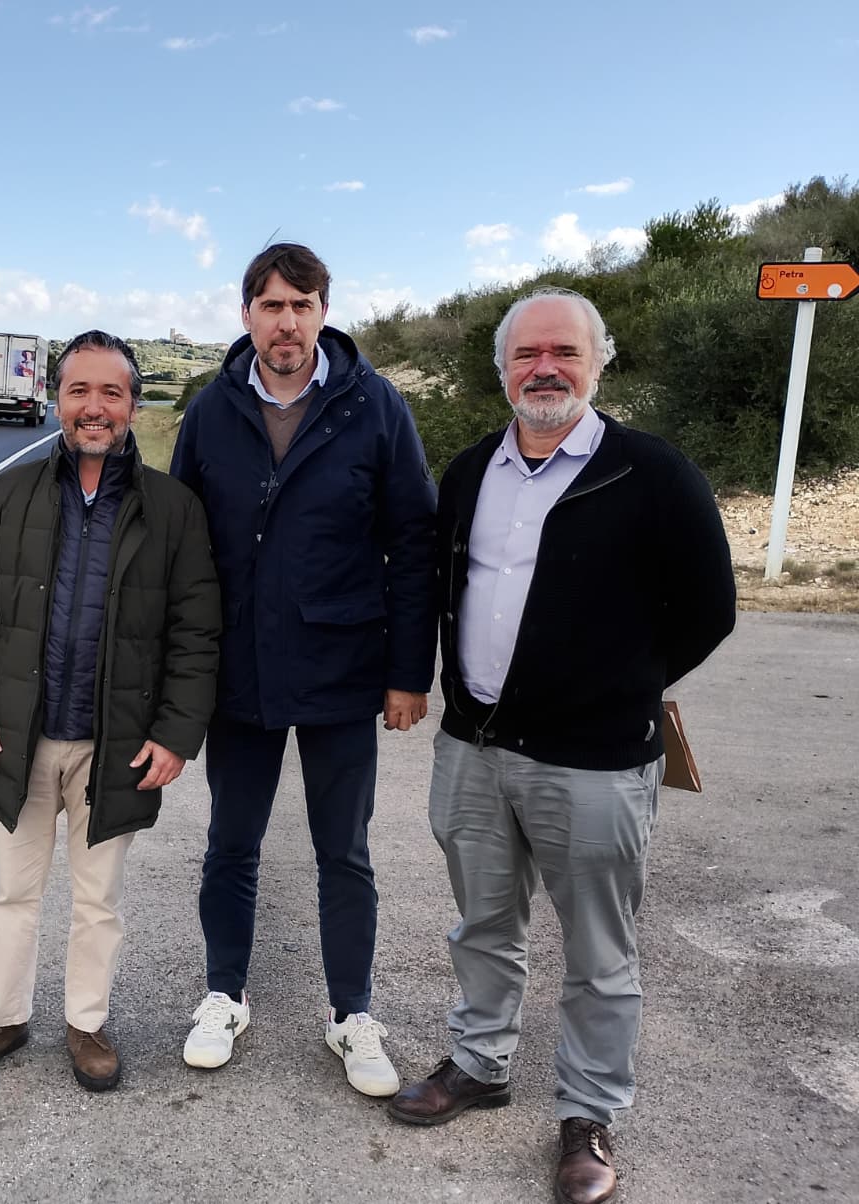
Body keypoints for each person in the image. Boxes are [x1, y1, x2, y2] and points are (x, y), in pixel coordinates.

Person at [387, 289, 736, 1204]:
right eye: (527, 353)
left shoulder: (653, 474)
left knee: (599, 948)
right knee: (483, 925)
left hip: (595, 761)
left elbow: (709, 609)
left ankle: (587, 1114)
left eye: (565, 353)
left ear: (597, 363)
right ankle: (480, 1063)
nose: (545, 369)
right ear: (503, 368)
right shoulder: (467, 472)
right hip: (474, 747)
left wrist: (620, 684)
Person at [169, 242, 437, 1096]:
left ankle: (352, 1014)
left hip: (342, 671)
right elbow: (180, 546)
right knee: (230, 847)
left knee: (344, 851)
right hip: (238, 675)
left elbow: (415, 544)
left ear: (324, 311)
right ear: (246, 313)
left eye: (303, 304)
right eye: (271, 305)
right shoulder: (211, 411)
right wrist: (183, 669)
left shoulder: (376, 407)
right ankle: (223, 995)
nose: (286, 322)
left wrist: (408, 674)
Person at [0, 330, 221, 1093]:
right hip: (18, 737)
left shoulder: (174, 510)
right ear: (56, 400)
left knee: (98, 901)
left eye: (111, 393)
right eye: (78, 391)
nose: (94, 408)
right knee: (13, 892)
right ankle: (3, 1018)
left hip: (116, 744)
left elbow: (196, 632)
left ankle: (86, 1024)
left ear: (132, 402)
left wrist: (175, 734)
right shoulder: (8, 497)